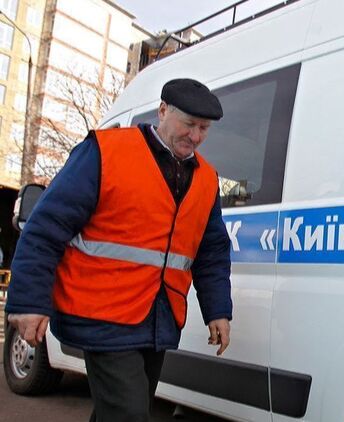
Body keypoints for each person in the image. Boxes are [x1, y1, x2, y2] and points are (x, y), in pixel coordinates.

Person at [5, 78, 233, 422]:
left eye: (204, 128)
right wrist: (28, 302)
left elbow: (211, 251)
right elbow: (46, 227)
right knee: (129, 414)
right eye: (189, 124)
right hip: (103, 313)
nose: (196, 136)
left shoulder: (205, 179)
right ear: (162, 111)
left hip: (159, 318)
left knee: (121, 411)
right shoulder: (106, 151)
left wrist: (218, 310)